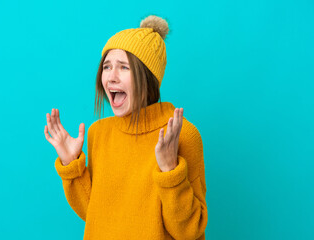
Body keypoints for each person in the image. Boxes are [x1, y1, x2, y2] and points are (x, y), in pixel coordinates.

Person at [44, 15, 208, 240]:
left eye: (124, 67)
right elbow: (96, 215)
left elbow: (189, 232)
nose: (111, 77)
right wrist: (71, 166)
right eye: (107, 66)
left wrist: (170, 171)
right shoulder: (99, 133)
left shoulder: (182, 135)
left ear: (148, 77)